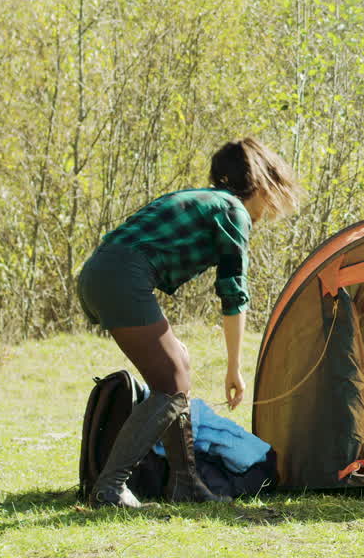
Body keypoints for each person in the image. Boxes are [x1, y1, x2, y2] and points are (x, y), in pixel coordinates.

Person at [77, 137, 300, 508]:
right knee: (172, 387)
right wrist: (234, 368)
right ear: (261, 184)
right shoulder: (233, 210)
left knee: (177, 364)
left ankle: (186, 482)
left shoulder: (206, 199)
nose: (268, 211)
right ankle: (111, 488)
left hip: (102, 272)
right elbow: (233, 293)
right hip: (121, 274)